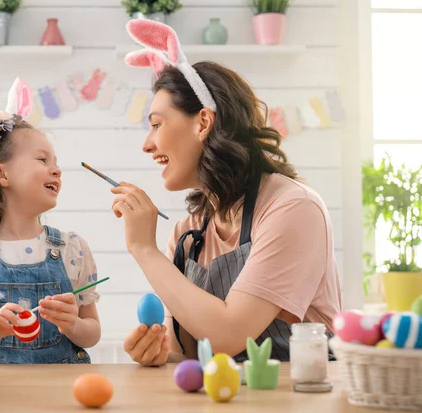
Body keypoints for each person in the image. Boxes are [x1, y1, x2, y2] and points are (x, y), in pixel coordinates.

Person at [113, 20, 341, 366]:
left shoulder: (293, 209)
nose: (148, 144)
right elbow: (194, 354)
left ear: (203, 123)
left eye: (157, 124)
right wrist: (162, 355)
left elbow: (229, 333)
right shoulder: (188, 236)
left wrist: (143, 248)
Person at [0, 47, 101, 364]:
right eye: (42, 159)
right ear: (1, 172)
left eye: (55, 161)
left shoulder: (73, 249)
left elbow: (92, 333)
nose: (56, 169)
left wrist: (74, 324)